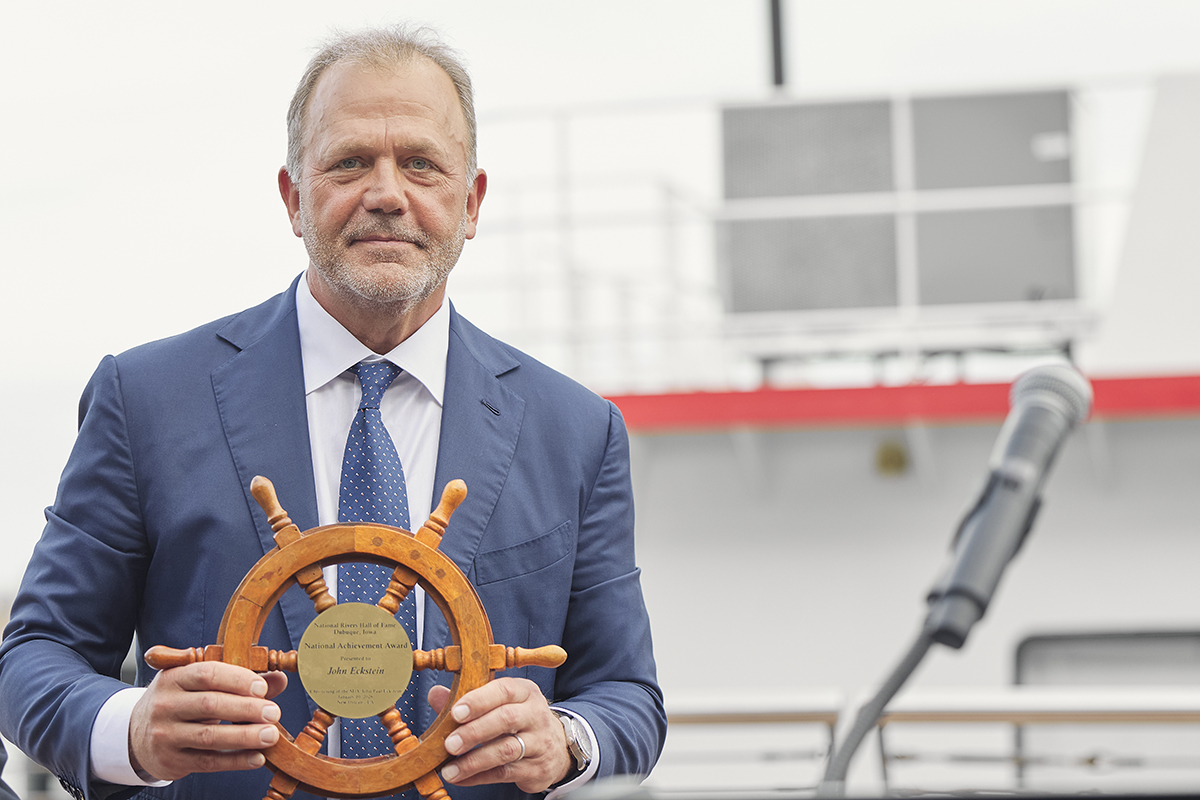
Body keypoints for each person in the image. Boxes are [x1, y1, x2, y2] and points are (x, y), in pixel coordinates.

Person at [0, 24, 664, 800]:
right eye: (350, 162)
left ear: (472, 201)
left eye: (421, 163)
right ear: (293, 197)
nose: (387, 193)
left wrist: (565, 739)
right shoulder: (146, 399)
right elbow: (34, 658)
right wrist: (134, 730)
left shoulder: (575, 431)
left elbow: (629, 698)